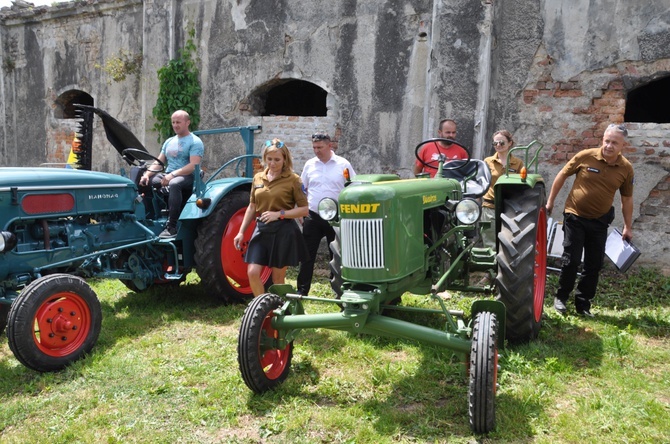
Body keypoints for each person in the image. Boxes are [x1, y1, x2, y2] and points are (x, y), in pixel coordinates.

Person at [546, 123, 634, 317]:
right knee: (572, 260)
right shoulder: (586, 156)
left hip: (600, 221)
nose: (609, 146)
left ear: (622, 146)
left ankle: (583, 304)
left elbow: (626, 199)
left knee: (594, 264)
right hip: (575, 216)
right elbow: (562, 174)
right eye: (607, 141)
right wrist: (550, 202)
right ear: (602, 140)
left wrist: (628, 226)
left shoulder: (625, 168)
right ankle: (561, 298)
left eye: (614, 143)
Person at [233, 138, 309, 296]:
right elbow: (252, 206)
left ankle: (279, 313)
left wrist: (279, 214)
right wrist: (241, 232)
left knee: (277, 280)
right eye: (269, 159)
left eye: (277, 159)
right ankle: (263, 308)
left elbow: (304, 210)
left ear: (285, 159)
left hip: (283, 231)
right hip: (261, 229)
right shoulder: (258, 178)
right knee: (253, 272)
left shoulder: (293, 180)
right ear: (264, 159)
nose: (273, 163)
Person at [297, 132, 356, 296]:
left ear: (330, 146)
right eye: (314, 147)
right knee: (306, 255)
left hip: (336, 218)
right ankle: (302, 290)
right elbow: (303, 190)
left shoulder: (343, 164)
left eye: (320, 147)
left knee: (336, 256)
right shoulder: (309, 165)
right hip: (313, 216)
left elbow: (352, 187)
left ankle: (339, 290)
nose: (316, 150)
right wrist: (301, 212)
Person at [139, 110, 204, 238]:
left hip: (189, 176)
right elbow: (159, 162)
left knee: (174, 184)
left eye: (178, 122)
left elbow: (193, 165)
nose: (175, 125)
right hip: (169, 174)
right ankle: (148, 219)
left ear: (187, 122)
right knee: (145, 182)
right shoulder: (169, 141)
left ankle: (172, 226)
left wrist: (172, 175)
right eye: (173, 122)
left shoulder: (195, 141)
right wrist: (146, 175)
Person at [480, 130, 524, 248]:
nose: (498, 145)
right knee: (490, 242)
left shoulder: (517, 163)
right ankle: (490, 266)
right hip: (490, 207)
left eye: (501, 143)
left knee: (509, 242)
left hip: (510, 208)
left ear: (510, 143)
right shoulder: (487, 161)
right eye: (495, 143)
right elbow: (482, 182)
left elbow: (522, 186)